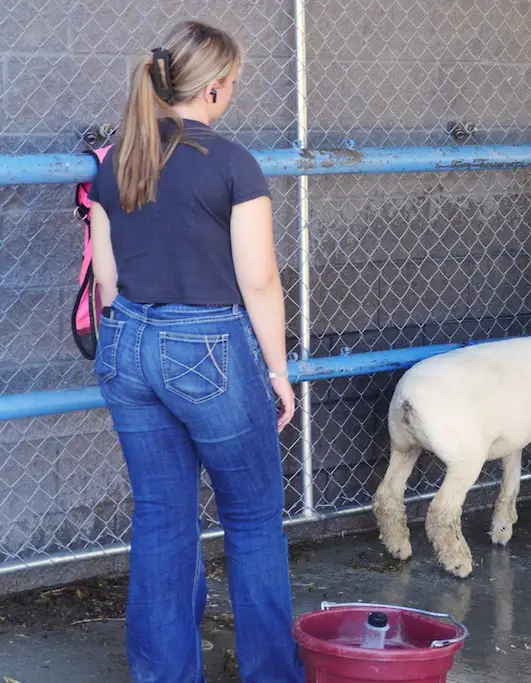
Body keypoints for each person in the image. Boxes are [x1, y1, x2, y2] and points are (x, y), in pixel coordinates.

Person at [87, 20, 304, 682]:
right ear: (212, 89)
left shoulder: (118, 160)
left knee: (160, 514)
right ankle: (272, 673)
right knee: (253, 515)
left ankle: (164, 675)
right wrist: (277, 369)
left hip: (124, 343)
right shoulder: (233, 163)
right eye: (233, 84)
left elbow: (106, 282)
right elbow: (260, 279)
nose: (233, 94)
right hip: (204, 346)